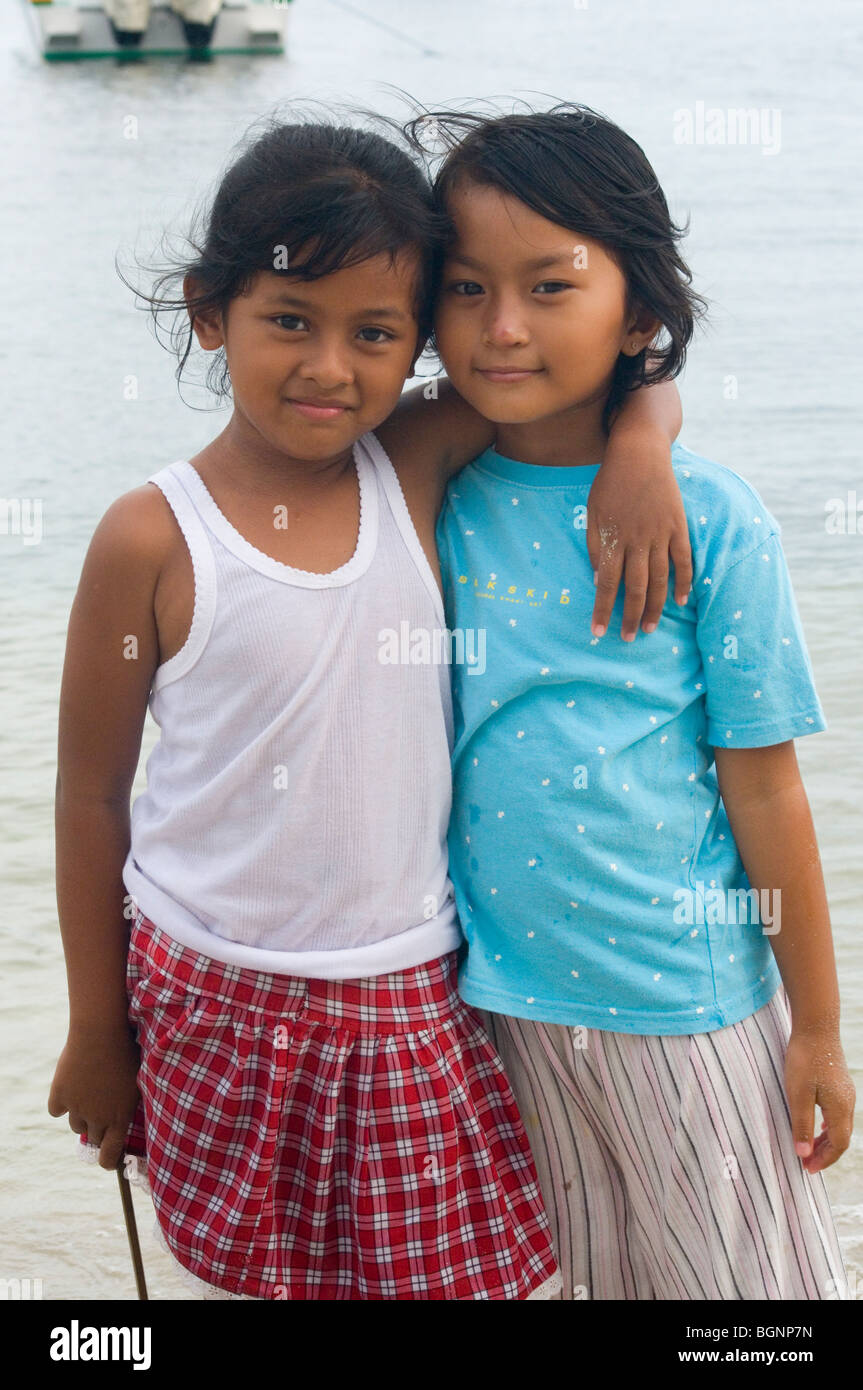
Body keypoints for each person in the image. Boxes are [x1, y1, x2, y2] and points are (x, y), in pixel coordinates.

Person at [47, 115, 685, 1300]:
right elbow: (89, 795)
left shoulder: (413, 459)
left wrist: (643, 443)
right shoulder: (153, 535)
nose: (330, 368)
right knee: (224, 1282)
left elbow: (591, 381)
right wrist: (97, 1033)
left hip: (410, 995)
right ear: (207, 310)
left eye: (375, 333)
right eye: (289, 320)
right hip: (208, 999)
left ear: (417, 343)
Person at [425, 103, 855, 1300]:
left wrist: (815, 1029)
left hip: (684, 1002)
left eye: (550, 287)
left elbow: (764, 785)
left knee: (752, 1306)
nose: (502, 327)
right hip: (498, 1007)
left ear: (641, 311)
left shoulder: (710, 518)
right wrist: (642, 422)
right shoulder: (433, 492)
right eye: (464, 288)